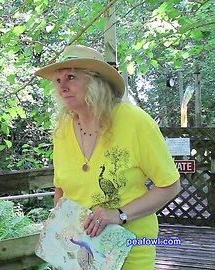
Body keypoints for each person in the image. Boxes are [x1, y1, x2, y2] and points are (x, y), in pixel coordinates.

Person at [35, 45, 181, 269]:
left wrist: (119, 214)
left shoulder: (135, 121)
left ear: (96, 81)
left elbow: (170, 186)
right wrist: (60, 235)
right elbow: (61, 190)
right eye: (58, 80)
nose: (62, 87)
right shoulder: (62, 128)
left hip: (130, 250)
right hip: (80, 253)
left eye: (71, 77)